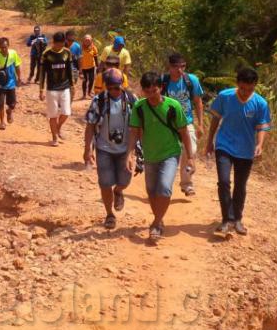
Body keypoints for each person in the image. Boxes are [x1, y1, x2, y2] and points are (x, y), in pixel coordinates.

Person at [205, 67, 273, 237]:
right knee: (224, 181)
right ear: (237, 84)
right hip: (224, 145)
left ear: (255, 86)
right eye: (243, 88)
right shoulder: (225, 96)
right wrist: (209, 142)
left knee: (240, 186)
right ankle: (226, 219)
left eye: (250, 89)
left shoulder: (260, 103)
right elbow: (215, 118)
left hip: (246, 149)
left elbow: (262, 126)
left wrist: (260, 145)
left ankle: (237, 219)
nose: (245, 92)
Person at [127, 72, 194, 243]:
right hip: (150, 154)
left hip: (170, 153)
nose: (151, 95)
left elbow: (184, 132)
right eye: (147, 91)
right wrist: (130, 153)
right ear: (142, 91)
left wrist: (191, 157)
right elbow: (134, 131)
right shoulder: (139, 107)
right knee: (151, 191)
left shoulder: (173, 106)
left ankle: (156, 223)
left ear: (161, 88)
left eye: (154, 91)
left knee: (164, 188)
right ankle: (159, 218)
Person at [83, 68, 137, 230]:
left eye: (118, 87)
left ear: (123, 85)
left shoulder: (131, 100)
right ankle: (109, 214)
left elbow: (138, 126)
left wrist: (135, 150)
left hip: (125, 149)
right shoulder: (98, 100)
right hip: (104, 148)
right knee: (105, 183)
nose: (115, 90)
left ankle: (119, 191)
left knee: (125, 180)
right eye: (111, 87)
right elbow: (90, 125)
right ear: (106, 86)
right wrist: (87, 149)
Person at [160, 53, 205, 196]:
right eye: (175, 67)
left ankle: (186, 183)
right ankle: (162, 183)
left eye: (183, 66)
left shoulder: (191, 80)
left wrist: (201, 124)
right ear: (169, 67)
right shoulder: (163, 81)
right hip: (167, 124)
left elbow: (198, 102)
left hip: (187, 122)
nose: (179, 70)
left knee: (190, 150)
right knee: (166, 154)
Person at [36, 31, 75, 146]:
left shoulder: (67, 53)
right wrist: (41, 90)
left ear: (64, 43)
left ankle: (57, 128)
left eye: (61, 44)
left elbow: (70, 70)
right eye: (57, 44)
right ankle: (54, 138)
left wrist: (72, 85)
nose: (59, 46)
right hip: (52, 88)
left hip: (65, 87)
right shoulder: (46, 54)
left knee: (66, 112)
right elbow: (42, 73)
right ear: (53, 42)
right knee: (52, 115)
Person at [0, 37, 22, 130]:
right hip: (0, 83)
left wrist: (19, 78)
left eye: (5, 47)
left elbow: (17, 66)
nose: (4, 49)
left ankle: (9, 111)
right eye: (2, 47)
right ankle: (2, 122)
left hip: (11, 82)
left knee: (12, 104)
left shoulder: (13, 53)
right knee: (0, 103)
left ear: (8, 46)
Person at [78, 34, 99, 100]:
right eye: (86, 40)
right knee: (85, 80)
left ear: (91, 41)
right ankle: (84, 95)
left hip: (91, 66)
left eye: (88, 40)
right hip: (83, 67)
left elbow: (95, 57)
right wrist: (79, 69)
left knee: (91, 79)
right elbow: (79, 59)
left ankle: (89, 92)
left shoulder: (93, 48)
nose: (87, 41)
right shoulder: (80, 48)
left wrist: (97, 66)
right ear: (83, 41)